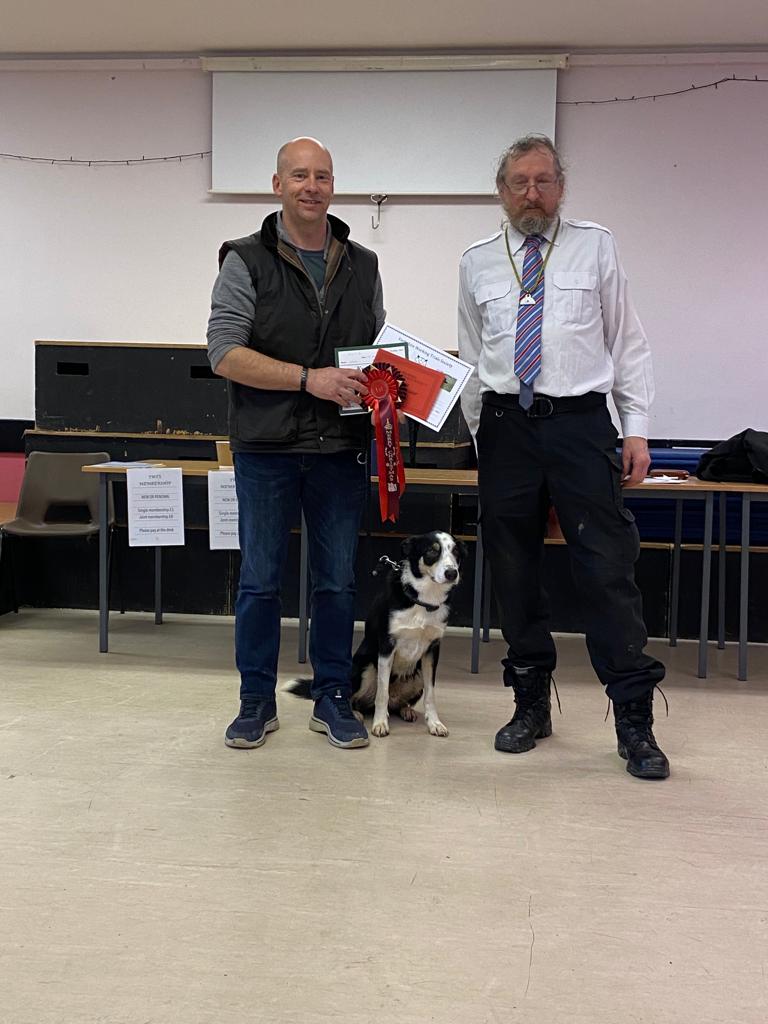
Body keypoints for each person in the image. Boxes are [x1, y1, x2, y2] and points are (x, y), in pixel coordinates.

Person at [458, 134, 669, 780]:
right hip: (505, 429)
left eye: (544, 181)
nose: (532, 194)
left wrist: (636, 428)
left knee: (606, 570)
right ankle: (529, 704)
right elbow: (471, 357)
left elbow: (627, 341)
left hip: (581, 425)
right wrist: (483, 441)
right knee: (513, 572)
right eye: (520, 182)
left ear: (561, 187)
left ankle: (634, 719)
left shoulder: (595, 245)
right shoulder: (476, 261)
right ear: (501, 191)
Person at [207, 136, 385, 751]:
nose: (312, 186)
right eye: (300, 175)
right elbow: (223, 353)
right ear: (278, 184)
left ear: (333, 186)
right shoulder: (244, 260)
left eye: (323, 176)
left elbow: (375, 355)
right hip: (266, 450)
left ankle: (332, 696)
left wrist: (408, 385)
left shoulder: (364, 264)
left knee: (337, 582)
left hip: (340, 449)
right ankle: (255, 700)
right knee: (259, 581)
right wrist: (310, 380)